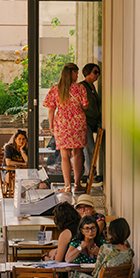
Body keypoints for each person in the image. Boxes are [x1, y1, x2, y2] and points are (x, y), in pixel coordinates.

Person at [43, 63, 88, 193]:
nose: (77, 76)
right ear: (72, 73)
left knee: (64, 156)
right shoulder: (80, 88)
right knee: (78, 154)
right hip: (78, 124)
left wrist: (51, 126)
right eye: (76, 73)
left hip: (62, 124)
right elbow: (85, 106)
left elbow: (51, 109)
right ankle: (77, 184)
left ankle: (67, 186)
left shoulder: (55, 89)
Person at [79, 63, 103, 183]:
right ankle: (91, 175)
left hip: (94, 121)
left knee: (91, 149)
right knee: (89, 148)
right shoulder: (81, 87)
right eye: (95, 72)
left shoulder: (93, 87)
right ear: (87, 72)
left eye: (98, 72)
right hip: (85, 121)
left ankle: (88, 174)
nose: (97, 75)